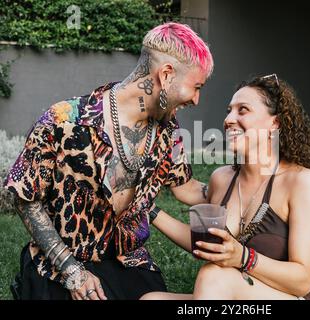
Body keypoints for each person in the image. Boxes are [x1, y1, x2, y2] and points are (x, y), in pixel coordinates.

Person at [4, 22, 214, 300]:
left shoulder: (168, 130)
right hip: (61, 261)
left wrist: (241, 181)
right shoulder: (65, 120)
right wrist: (71, 270)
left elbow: (184, 187)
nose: (197, 100)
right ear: (166, 75)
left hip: (127, 260)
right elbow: (25, 197)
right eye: (195, 87)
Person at [141, 74, 310, 300]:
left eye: (243, 110)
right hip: (234, 293)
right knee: (151, 300)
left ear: (275, 123)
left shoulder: (303, 182)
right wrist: (147, 208)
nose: (229, 119)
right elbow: (204, 240)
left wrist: (243, 257)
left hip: (292, 296)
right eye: (229, 110)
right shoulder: (222, 179)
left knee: (214, 276)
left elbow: (302, 281)